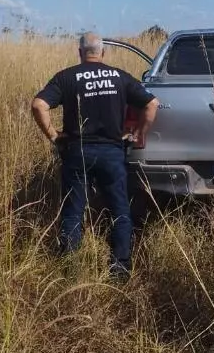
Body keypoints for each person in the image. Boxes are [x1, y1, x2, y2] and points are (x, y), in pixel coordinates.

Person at [31, 32, 159, 280]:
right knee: (120, 211)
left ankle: (70, 272)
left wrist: (55, 136)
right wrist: (138, 135)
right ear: (103, 53)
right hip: (112, 152)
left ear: (80, 53)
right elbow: (152, 103)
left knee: (73, 212)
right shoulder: (119, 76)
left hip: (77, 153)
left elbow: (39, 105)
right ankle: (120, 270)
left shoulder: (66, 77)